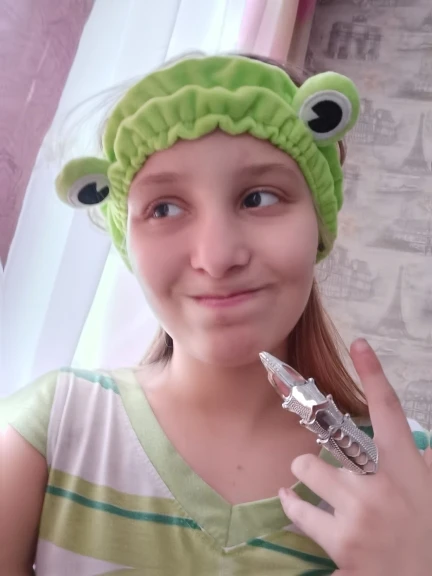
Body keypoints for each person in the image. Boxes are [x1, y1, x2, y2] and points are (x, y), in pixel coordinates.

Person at [1, 53, 431, 576]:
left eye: (259, 197)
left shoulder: (413, 476)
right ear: (126, 239)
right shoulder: (48, 431)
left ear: (318, 224)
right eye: (164, 208)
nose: (217, 256)